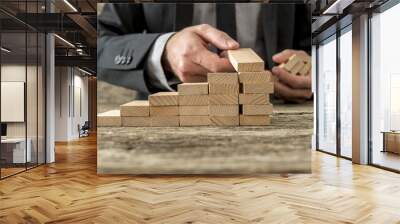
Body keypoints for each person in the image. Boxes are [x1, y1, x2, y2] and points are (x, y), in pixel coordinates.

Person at [98, 3, 312, 102]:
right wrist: (163, 52)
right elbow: (99, 44)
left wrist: (321, 68)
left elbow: (318, 36)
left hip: (274, 119)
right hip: (167, 123)